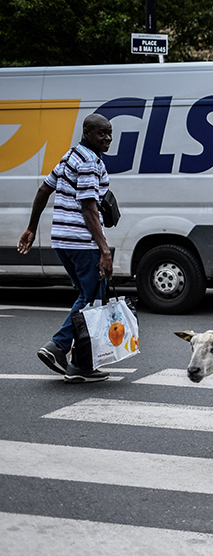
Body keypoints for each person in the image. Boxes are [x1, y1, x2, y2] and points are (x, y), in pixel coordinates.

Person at [17, 114, 115, 383]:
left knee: (88, 295)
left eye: (109, 133)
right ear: (86, 132)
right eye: (101, 133)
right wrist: (104, 250)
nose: (107, 138)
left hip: (61, 240)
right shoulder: (88, 162)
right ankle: (58, 347)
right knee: (91, 296)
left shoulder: (70, 155)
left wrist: (32, 227)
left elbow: (43, 190)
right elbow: (88, 207)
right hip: (82, 242)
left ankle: (81, 365)